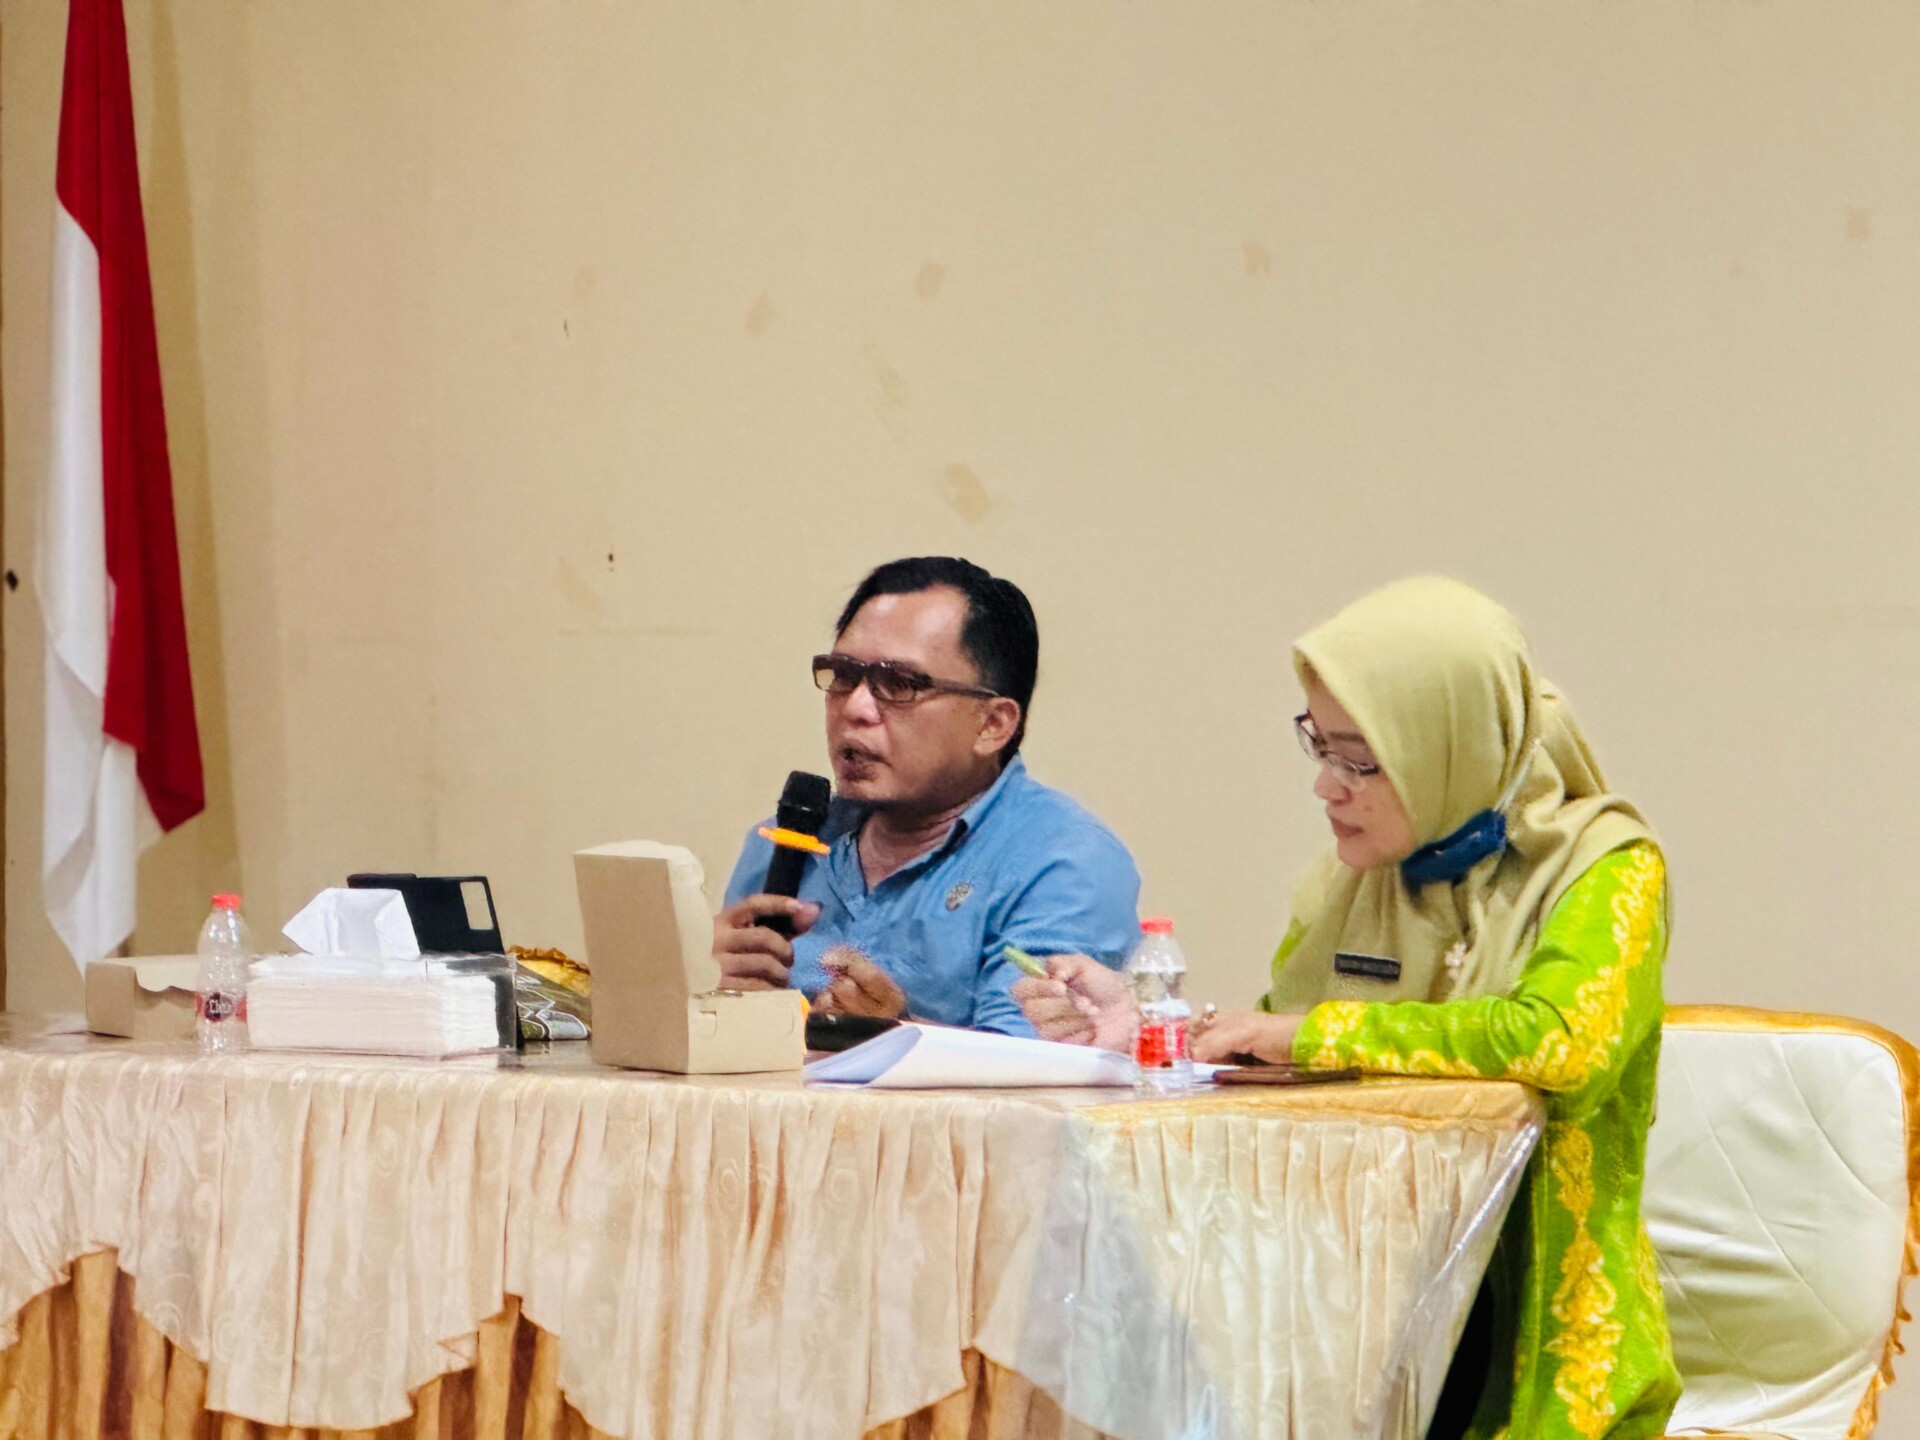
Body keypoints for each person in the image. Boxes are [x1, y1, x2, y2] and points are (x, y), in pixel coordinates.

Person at [1015, 577, 1681, 1440]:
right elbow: (1280, 1060)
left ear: (1446, 746)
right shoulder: (1358, 881)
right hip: (1365, 1333)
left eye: (1362, 761)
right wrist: (1154, 1031)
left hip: (1544, 1357)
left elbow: (1560, 1042)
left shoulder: (1608, 868)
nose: (1327, 787)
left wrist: (1310, 1032)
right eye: (1319, 747)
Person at [714, 556, 1139, 1035]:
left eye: (899, 684)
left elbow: (1030, 1066)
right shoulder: (784, 844)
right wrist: (706, 996)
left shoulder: (1064, 862)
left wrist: (900, 1034)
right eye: (843, 675)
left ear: (992, 724)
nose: (855, 707)